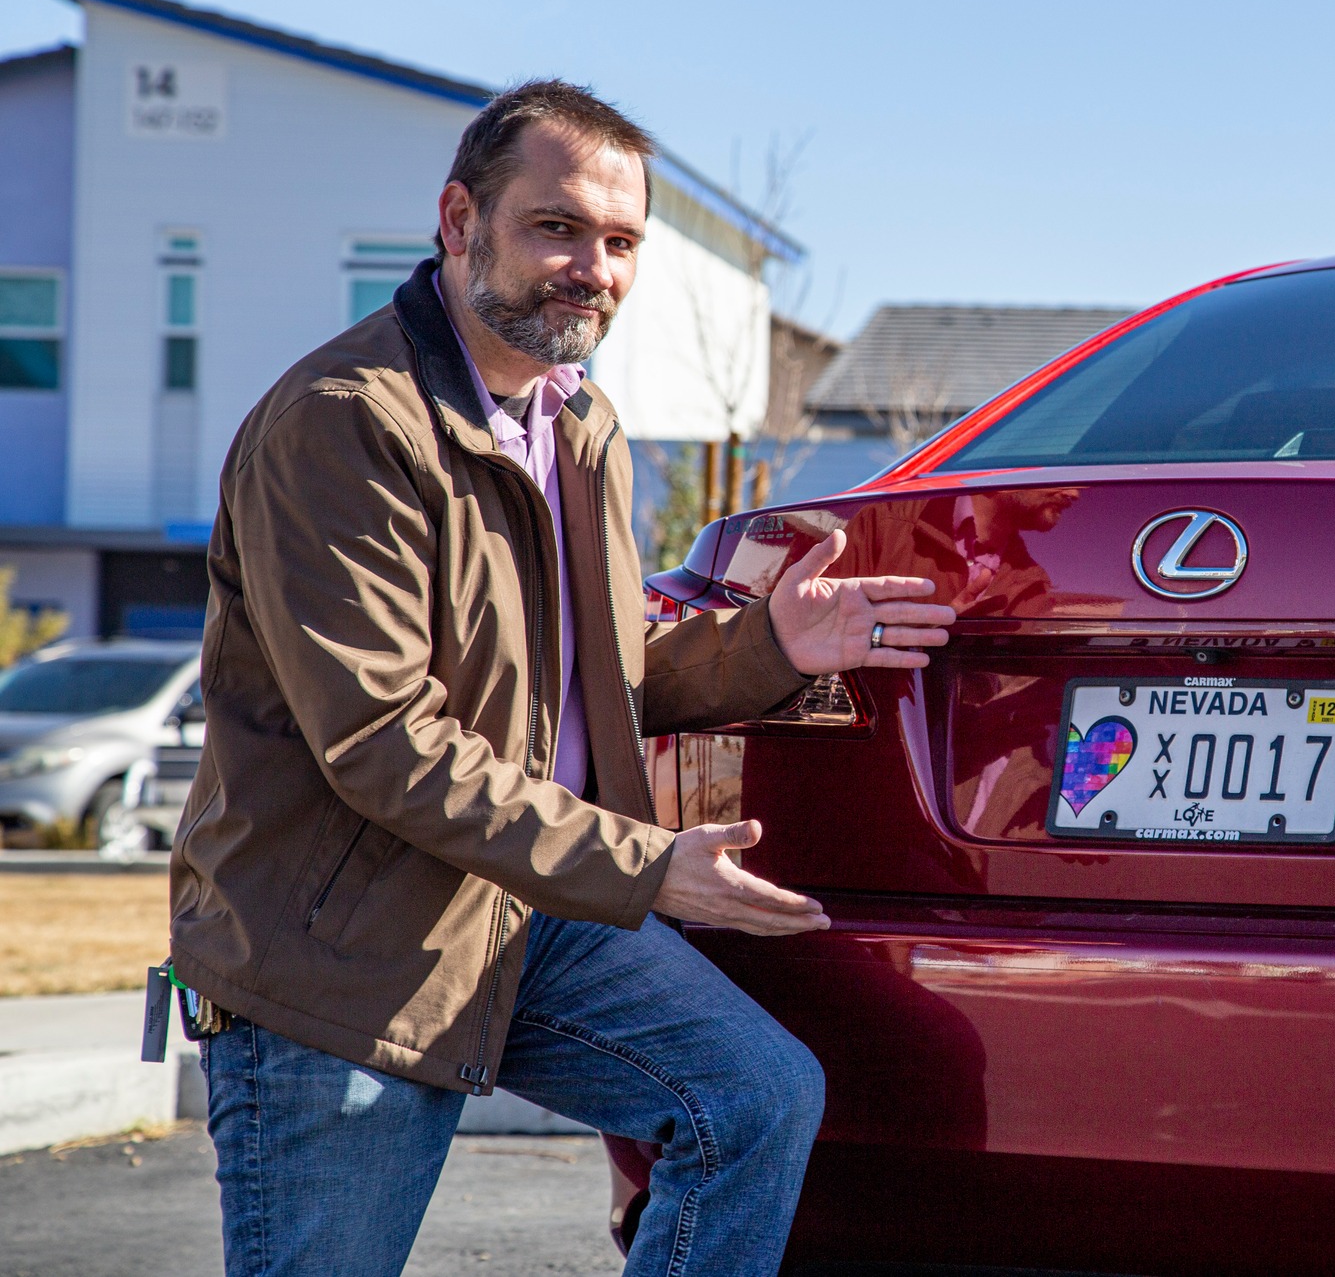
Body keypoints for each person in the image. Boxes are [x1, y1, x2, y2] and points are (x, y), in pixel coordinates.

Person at [167, 79, 956, 1276]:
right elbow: (384, 739)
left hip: (524, 916)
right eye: (556, 227)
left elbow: (600, 670)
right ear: (458, 220)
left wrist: (771, 648)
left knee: (752, 1100)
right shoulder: (345, 424)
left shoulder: (576, 423)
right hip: (342, 963)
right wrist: (644, 868)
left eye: (621, 241)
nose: (593, 266)